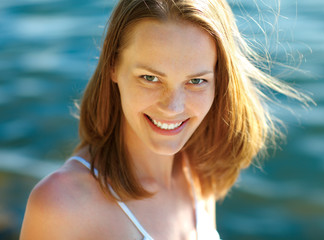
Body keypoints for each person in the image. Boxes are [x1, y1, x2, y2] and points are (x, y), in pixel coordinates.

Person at [20, 0, 308, 239]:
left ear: (219, 81)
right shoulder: (61, 204)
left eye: (196, 81)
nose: (172, 106)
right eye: (150, 78)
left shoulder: (197, 175)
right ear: (112, 67)